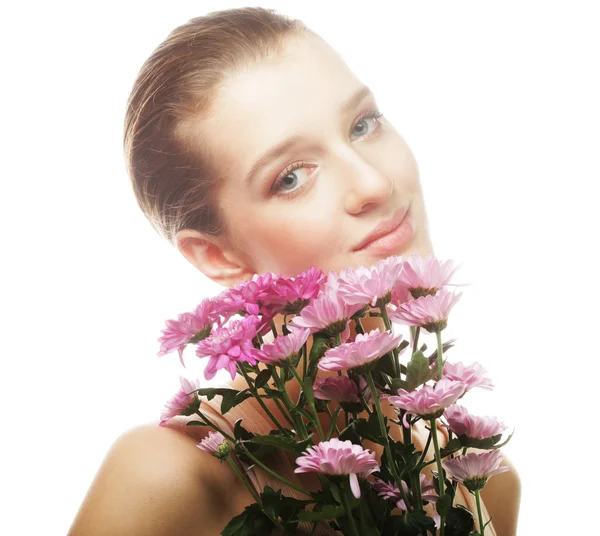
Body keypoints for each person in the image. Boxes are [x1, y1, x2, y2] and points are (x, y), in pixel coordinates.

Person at [68, 7, 521, 535]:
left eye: (363, 124)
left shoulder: (476, 480)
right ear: (219, 256)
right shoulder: (167, 477)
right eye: (291, 178)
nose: (373, 183)